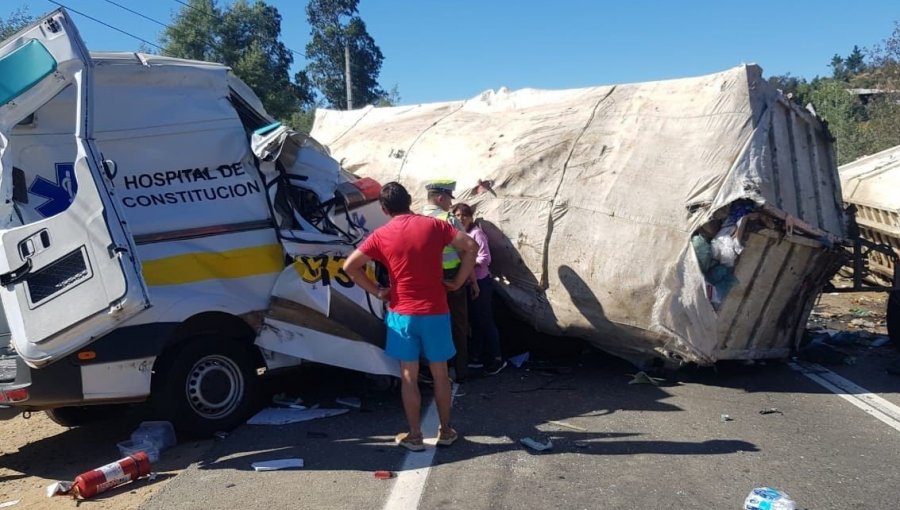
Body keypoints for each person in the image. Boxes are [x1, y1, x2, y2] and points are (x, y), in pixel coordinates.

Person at [343, 182, 478, 452]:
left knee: (409, 375)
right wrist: (459, 281)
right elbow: (471, 246)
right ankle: (446, 430)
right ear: (409, 201)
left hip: (402, 313)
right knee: (441, 374)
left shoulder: (381, 235)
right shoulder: (435, 226)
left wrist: (378, 291)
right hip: (436, 311)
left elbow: (350, 266)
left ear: (384, 209)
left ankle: (415, 435)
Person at [422, 179, 477, 382]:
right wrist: (471, 278)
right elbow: (466, 251)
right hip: (452, 278)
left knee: (432, 324)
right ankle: (461, 370)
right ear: (440, 198)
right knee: (458, 324)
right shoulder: (448, 219)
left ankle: (435, 370)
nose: (449, 205)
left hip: (427, 279)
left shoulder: (415, 218)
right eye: (448, 200)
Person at [451, 203, 507, 375]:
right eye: (458, 215)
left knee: (485, 320)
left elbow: (485, 258)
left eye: (465, 215)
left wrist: (467, 263)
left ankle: (496, 358)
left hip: (481, 282)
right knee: (474, 321)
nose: (461, 218)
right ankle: (477, 356)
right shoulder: (459, 235)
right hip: (466, 282)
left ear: (471, 217)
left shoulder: (477, 234)